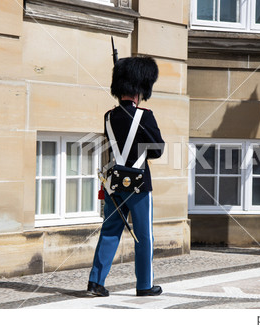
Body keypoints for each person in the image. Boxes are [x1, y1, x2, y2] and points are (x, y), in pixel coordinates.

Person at [87, 56, 165, 297]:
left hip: (115, 182)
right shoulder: (145, 115)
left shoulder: (109, 116)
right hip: (139, 184)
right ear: (140, 89)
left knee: (110, 231)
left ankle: (95, 282)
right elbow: (158, 149)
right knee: (144, 236)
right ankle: (144, 285)